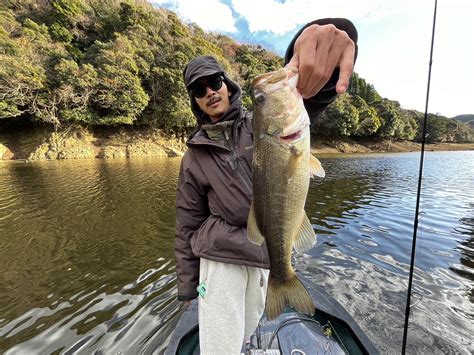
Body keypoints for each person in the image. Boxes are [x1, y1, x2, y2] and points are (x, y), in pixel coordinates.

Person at [175, 18, 358, 354]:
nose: (209, 92)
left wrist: (325, 39)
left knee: (246, 328)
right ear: (195, 102)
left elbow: (314, 93)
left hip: (262, 251)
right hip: (219, 257)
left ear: (227, 84)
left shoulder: (258, 126)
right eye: (199, 90)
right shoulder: (193, 157)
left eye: (214, 82)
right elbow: (187, 221)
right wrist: (188, 286)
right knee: (219, 345)